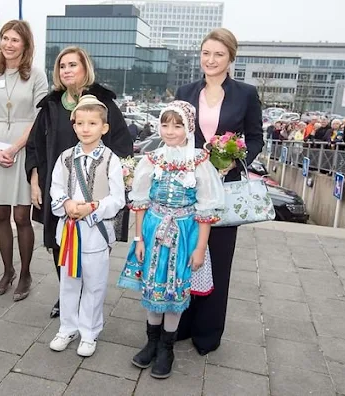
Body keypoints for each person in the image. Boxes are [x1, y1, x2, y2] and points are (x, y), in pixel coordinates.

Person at [118, 101, 224, 378]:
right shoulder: (152, 159)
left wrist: (200, 248)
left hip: (183, 233)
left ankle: (167, 347)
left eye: (177, 125)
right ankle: (151, 342)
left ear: (188, 128)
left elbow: (206, 210)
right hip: (154, 230)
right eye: (165, 124)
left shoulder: (199, 162)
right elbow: (140, 202)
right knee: (153, 288)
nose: (170, 131)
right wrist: (139, 239)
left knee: (175, 290)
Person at [174, 28, 264, 355]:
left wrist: (236, 158)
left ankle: (208, 332)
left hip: (225, 188)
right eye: (206, 53)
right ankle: (181, 323)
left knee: (219, 258)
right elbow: (176, 134)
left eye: (219, 54)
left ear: (230, 58)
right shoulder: (185, 90)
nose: (210, 60)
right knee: (186, 255)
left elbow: (255, 138)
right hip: (188, 187)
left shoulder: (246, 94)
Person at [26, 46, 133, 318]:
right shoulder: (50, 106)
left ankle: (89, 301)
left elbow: (123, 144)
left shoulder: (103, 104)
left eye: (73, 65)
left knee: (92, 247)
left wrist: (110, 180)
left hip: (93, 191)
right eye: (62, 66)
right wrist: (35, 179)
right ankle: (67, 295)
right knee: (60, 242)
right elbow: (34, 147)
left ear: (85, 68)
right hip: (59, 189)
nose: (67, 71)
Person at [0, 20, 48, 301]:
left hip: (24, 147)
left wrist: (15, 147)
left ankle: (26, 272)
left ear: (25, 44)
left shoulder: (36, 75)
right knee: (1, 214)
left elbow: (41, 117)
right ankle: (7, 271)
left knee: (21, 216)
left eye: (15, 39)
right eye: (5, 37)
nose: (8, 44)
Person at [48, 95, 125, 357]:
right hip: (69, 231)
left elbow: (117, 199)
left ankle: (89, 331)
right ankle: (67, 327)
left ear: (104, 127)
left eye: (92, 123)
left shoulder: (111, 160)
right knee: (69, 282)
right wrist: (66, 204)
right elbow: (56, 188)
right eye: (80, 123)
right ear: (74, 126)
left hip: (96, 233)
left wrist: (92, 208)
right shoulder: (65, 157)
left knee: (94, 284)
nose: (86, 128)